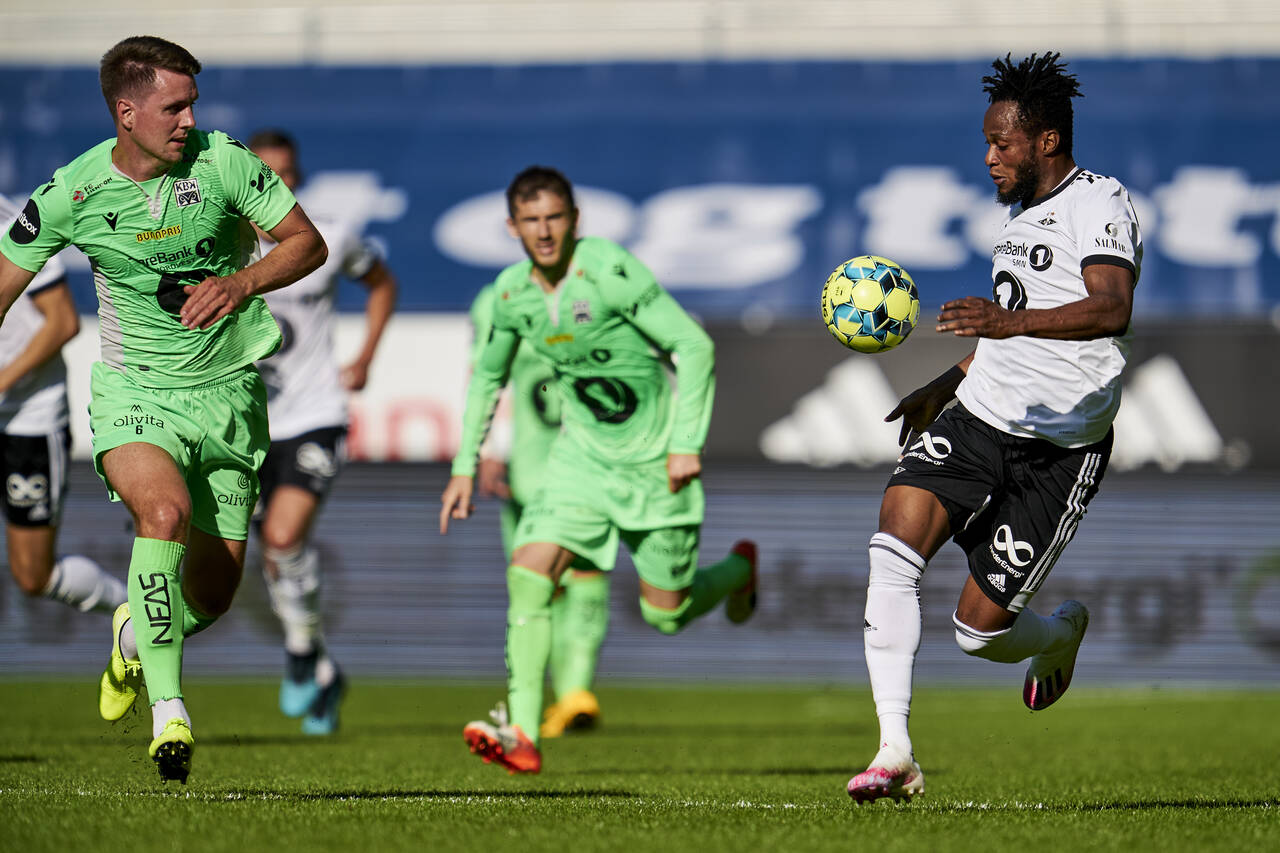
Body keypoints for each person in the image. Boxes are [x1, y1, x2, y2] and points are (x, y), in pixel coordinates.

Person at [0, 36, 326, 784]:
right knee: (163, 516)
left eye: (192, 105)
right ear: (127, 111)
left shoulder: (225, 161)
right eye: (174, 106)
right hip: (135, 392)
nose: (189, 120)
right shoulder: (72, 192)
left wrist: (243, 284)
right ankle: (170, 713)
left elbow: (307, 243)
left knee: (211, 596)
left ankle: (130, 636)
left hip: (230, 397)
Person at [847, 52, 1141, 803]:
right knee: (892, 541)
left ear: (1045, 141)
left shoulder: (1101, 204)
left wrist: (1009, 321)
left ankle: (1059, 635)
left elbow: (1111, 309)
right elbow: (1015, 330)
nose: (988, 158)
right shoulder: (1015, 217)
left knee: (978, 633)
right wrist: (946, 383)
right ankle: (894, 750)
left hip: (1061, 450)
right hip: (980, 418)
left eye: (1001, 144)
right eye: (987, 143)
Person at [440, 166, 758, 774]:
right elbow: (488, 376)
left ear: (575, 219)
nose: (544, 232)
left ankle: (739, 570)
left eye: (554, 218)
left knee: (666, 614)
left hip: (653, 463)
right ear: (511, 227)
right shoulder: (511, 295)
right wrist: (464, 463)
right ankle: (523, 733)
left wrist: (686, 442)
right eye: (530, 221)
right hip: (579, 462)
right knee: (529, 575)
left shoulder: (608, 270)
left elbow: (693, 346)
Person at [246, 129, 398, 736]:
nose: (277, 183)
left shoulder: (327, 238)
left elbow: (382, 283)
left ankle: (302, 652)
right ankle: (320, 662)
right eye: (265, 172)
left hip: (316, 413)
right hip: (246, 420)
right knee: (275, 557)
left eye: (287, 173)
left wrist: (366, 356)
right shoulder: (216, 241)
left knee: (283, 537)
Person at [469, 281, 614, 739]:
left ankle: (558, 700)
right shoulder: (603, 291)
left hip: (534, 469)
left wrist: (490, 447)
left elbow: (487, 377)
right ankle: (574, 691)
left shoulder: (495, 299)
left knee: (541, 586)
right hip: (583, 467)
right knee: (583, 578)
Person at [0, 193, 126, 616]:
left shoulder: (11, 222)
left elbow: (63, 322)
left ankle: (134, 613)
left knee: (33, 575)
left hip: (28, 416)